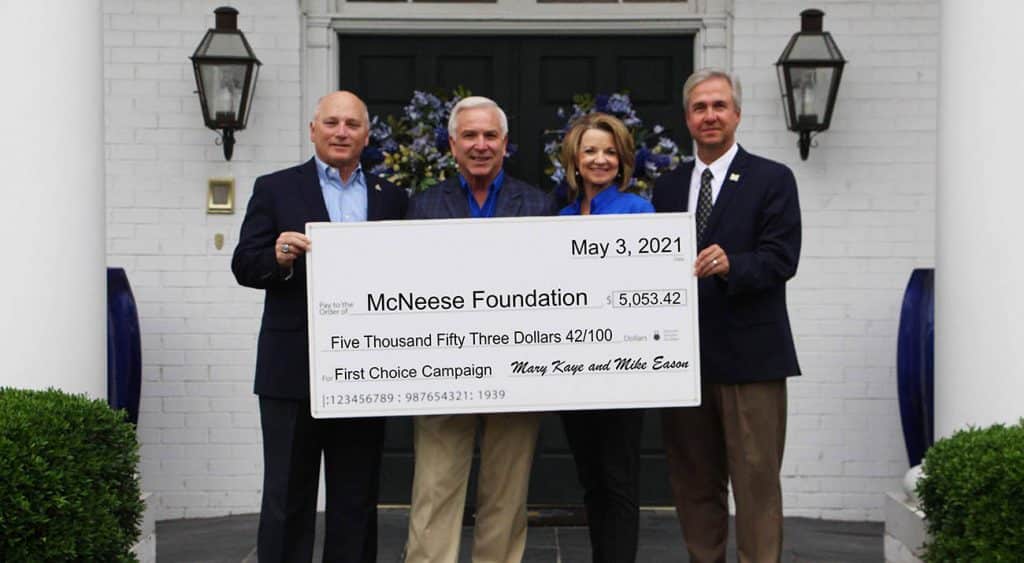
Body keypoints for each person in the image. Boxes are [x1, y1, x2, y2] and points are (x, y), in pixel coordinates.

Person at [232, 90, 408, 563]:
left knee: (355, 500)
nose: (341, 132)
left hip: (364, 369)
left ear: (366, 135)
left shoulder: (391, 196)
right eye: (331, 123)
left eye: (352, 124)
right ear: (313, 130)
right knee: (287, 498)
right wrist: (278, 256)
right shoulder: (276, 188)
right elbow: (244, 264)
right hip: (292, 371)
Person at [652, 69, 801, 563]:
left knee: (756, 486)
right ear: (687, 118)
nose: (710, 115)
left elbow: (782, 259)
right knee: (695, 484)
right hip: (684, 362)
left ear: (737, 113)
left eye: (719, 106)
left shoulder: (772, 178)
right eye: (700, 108)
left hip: (751, 361)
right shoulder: (668, 188)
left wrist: (733, 264)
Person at [404, 96, 555, 563]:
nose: (481, 144)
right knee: (434, 488)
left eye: (490, 135)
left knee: (507, 495)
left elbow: (554, 289)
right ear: (452, 144)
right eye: (470, 135)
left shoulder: (538, 205)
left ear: (506, 144)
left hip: (516, 370)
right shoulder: (424, 206)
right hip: (443, 370)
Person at [557, 112, 652, 563]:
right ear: (575, 160)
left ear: (622, 160)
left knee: (618, 481)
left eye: (610, 152)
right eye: (590, 150)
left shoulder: (638, 210)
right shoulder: (560, 217)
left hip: (622, 369)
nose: (600, 159)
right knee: (591, 479)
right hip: (574, 372)